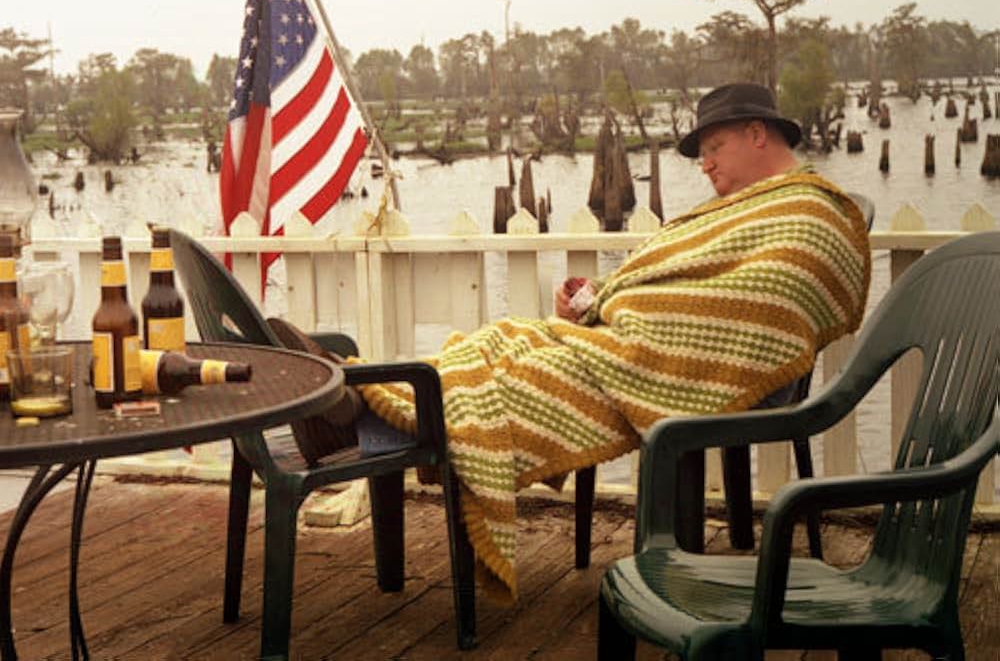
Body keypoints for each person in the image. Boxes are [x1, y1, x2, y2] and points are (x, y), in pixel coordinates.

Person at [320, 83, 871, 601]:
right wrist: (600, 295)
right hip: (643, 344)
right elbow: (675, 277)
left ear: (758, 134)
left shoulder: (810, 213)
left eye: (714, 147)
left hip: (703, 368)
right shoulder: (740, 210)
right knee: (502, 343)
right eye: (703, 151)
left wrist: (625, 310)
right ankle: (370, 393)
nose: (704, 164)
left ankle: (359, 414)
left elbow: (768, 300)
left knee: (528, 379)